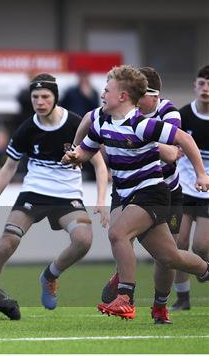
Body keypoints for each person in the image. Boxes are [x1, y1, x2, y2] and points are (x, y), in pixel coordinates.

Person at [63, 65, 209, 320]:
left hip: (152, 192)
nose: (102, 94)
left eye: (106, 90)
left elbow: (184, 140)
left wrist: (201, 174)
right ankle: (206, 269)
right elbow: (87, 148)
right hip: (127, 192)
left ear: (122, 96)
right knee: (170, 256)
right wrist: (74, 156)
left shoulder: (142, 125)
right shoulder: (102, 120)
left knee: (118, 233)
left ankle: (125, 298)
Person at [0, 73, 109, 314]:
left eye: (45, 96)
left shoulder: (75, 123)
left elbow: (99, 164)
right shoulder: (26, 128)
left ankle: (49, 275)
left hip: (67, 196)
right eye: (35, 97)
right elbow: (8, 168)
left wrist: (100, 201)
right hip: (34, 193)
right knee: (6, 243)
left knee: (84, 241)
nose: (40, 102)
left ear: (55, 97)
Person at [95, 67, 184, 324]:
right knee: (119, 233)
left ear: (154, 97)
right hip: (126, 189)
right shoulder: (118, 113)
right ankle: (125, 286)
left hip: (164, 188)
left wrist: (141, 137)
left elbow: (172, 154)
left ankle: (158, 304)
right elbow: (91, 122)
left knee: (168, 257)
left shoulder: (167, 114)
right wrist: (79, 151)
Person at [172, 65, 209, 311]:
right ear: (194, 86)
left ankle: (203, 269)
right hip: (183, 190)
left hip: (207, 193)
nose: (206, 89)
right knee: (178, 243)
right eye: (202, 83)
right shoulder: (183, 115)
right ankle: (182, 298)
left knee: (201, 246)